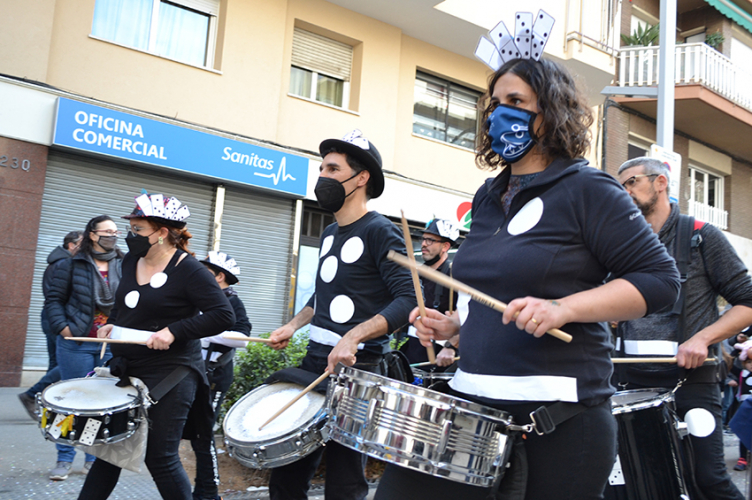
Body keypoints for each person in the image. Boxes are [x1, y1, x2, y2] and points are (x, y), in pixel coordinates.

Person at [375, 58, 680, 500]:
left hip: (558, 417)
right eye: (495, 103)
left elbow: (659, 280)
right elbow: (495, 289)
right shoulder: (488, 196)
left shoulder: (590, 189)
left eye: (516, 101)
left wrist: (563, 308)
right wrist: (459, 327)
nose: (500, 114)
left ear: (551, 111)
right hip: (470, 404)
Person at [268, 130, 417, 500]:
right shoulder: (330, 232)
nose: (323, 177)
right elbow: (324, 296)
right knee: (286, 476)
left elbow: (408, 299)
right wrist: (292, 325)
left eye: (333, 169)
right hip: (316, 362)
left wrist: (353, 336)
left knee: (343, 483)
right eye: (321, 168)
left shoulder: (381, 231)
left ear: (361, 177)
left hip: (359, 370)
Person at [77, 194, 235, 500]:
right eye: (131, 229)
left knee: (160, 457)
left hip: (172, 373)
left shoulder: (190, 270)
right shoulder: (131, 260)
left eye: (138, 230)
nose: (130, 237)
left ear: (162, 232)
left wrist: (174, 331)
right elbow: (126, 305)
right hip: (129, 368)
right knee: (109, 450)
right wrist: (113, 323)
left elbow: (222, 315)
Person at [616, 156, 752, 500]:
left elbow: (747, 301)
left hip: (690, 380)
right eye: (621, 187)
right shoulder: (622, 243)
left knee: (707, 479)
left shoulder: (701, 236)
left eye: (632, 182)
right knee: (646, 481)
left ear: (660, 183)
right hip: (633, 383)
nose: (625, 192)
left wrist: (703, 339)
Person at [44, 217, 123, 480]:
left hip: (109, 346)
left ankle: (92, 458)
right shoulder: (70, 264)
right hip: (76, 344)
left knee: (100, 404)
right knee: (70, 401)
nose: (113, 235)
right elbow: (54, 300)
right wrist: (63, 328)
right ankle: (64, 458)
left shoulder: (125, 265)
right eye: (107, 231)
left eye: (115, 231)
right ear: (92, 235)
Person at [191, 250, 252, 500]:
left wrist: (202, 332)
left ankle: (209, 493)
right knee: (187, 434)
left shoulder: (232, 301)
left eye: (205, 272)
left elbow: (244, 336)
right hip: (190, 372)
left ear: (219, 277)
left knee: (203, 436)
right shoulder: (194, 298)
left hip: (214, 376)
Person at [18, 230, 82, 419]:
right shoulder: (63, 265)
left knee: (56, 361)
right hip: (60, 319)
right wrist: (65, 324)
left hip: (54, 318)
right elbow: (58, 297)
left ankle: (46, 401)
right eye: (82, 243)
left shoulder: (58, 263)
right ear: (72, 245)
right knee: (65, 362)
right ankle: (33, 395)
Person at [399, 218, 459, 367]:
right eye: (423, 239)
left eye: (430, 240)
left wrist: (450, 347)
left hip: (437, 359)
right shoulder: (415, 275)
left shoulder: (453, 278)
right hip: (409, 354)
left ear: (445, 246)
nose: (424, 244)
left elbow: (470, 316)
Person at [729, 344, 752, 471]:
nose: (751, 364)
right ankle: (743, 458)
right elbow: (730, 364)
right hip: (745, 407)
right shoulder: (742, 373)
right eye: (749, 362)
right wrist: (737, 350)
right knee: (744, 431)